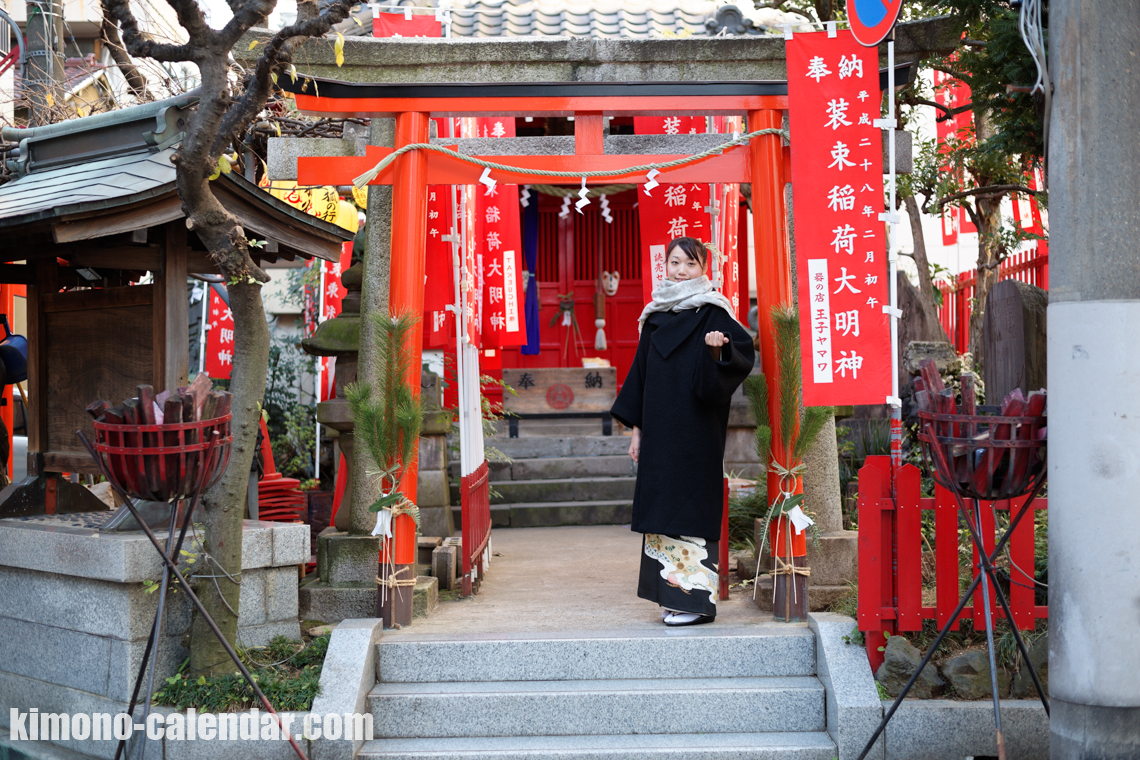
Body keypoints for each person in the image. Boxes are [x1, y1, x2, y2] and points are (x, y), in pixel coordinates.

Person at [610, 237, 754, 627]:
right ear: (665, 265)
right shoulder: (655, 315)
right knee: (661, 510)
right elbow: (640, 378)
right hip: (659, 432)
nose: (681, 271)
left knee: (689, 508)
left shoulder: (713, 311)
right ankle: (669, 596)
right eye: (675, 262)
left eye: (690, 264)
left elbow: (740, 354)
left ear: (703, 268)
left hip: (695, 430)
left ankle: (694, 602)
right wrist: (637, 433)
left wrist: (717, 351)